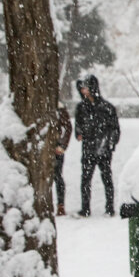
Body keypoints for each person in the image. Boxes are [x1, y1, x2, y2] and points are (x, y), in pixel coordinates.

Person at [74, 74, 119, 217]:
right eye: (82, 89)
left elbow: (115, 128)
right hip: (88, 148)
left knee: (106, 178)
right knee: (85, 179)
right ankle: (85, 208)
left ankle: (110, 207)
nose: (83, 91)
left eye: (85, 88)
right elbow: (78, 124)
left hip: (104, 148)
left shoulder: (107, 107)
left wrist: (110, 144)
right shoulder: (81, 107)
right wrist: (79, 133)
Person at [53, 102, 72, 216]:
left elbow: (68, 127)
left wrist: (62, 145)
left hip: (55, 147)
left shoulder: (59, 108)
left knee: (57, 176)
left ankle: (61, 205)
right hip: (42, 148)